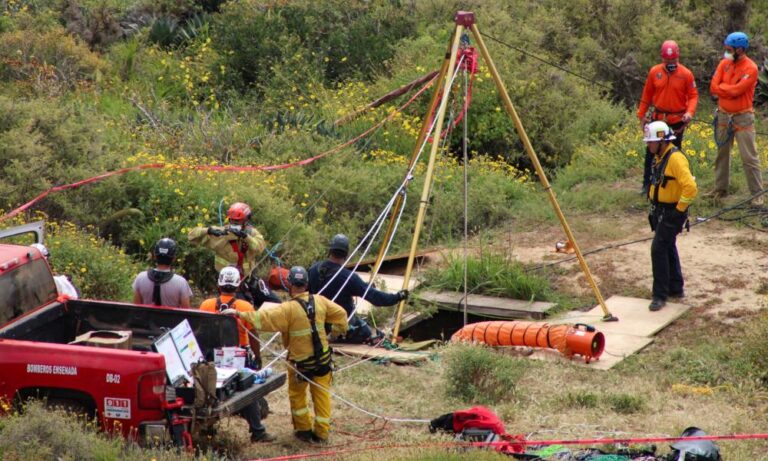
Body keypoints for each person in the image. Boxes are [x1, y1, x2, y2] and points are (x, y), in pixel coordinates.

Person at [227, 266, 348, 444]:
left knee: (297, 396)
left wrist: (238, 313)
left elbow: (262, 318)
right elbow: (341, 314)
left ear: (290, 285)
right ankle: (321, 434)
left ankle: (303, 430)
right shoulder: (321, 301)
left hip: (300, 364)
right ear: (306, 284)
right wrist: (335, 333)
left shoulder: (287, 309)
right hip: (322, 360)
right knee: (322, 397)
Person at [200, 266, 275, 443]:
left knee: (208, 390)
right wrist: (257, 356)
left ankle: (207, 428)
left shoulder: (206, 305)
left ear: (219, 284)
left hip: (211, 357)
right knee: (248, 389)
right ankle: (257, 431)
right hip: (238, 357)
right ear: (238, 285)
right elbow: (253, 334)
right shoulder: (245, 306)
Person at [308, 234, 409, 344]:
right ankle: (339, 337)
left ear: (330, 250)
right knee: (367, 331)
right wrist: (397, 297)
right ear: (346, 254)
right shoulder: (348, 278)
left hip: (316, 324)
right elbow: (376, 298)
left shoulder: (313, 269)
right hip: (339, 326)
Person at [644, 121, 698, 311]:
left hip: (671, 212)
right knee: (667, 246)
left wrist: (679, 210)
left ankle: (660, 295)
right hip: (662, 211)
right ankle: (675, 287)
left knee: (658, 249)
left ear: (662, 141)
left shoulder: (675, 159)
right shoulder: (662, 156)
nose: (648, 146)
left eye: (651, 142)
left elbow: (690, 187)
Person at [708, 31, 764, 206]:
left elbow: (737, 91)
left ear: (740, 49)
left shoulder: (751, 68)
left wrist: (723, 88)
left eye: (729, 49)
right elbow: (713, 87)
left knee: (749, 157)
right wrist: (726, 89)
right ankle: (720, 190)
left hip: (743, 117)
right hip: (724, 115)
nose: (726, 51)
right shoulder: (724, 64)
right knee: (722, 154)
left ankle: (757, 194)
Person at [637, 40, 698, 195]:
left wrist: (689, 112)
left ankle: (675, 184)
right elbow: (647, 95)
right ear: (662, 58)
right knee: (651, 152)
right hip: (657, 120)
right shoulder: (654, 72)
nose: (670, 63)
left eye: (673, 60)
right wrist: (641, 115)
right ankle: (647, 185)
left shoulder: (686, 74)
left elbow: (693, 95)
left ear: (677, 58)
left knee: (674, 153)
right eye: (667, 60)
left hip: (677, 121)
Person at [188, 202, 279, 306]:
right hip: (228, 283)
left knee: (275, 302)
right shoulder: (220, 233)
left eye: (238, 221)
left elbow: (259, 248)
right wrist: (208, 230)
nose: (235, 223)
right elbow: (191, 236)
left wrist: (246, 237)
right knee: (242, 306)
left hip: (248, 279)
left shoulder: (252, 234)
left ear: (246, 220)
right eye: (232, 220)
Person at [132, 238, 192, 308]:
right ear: (173, 258)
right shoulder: (181, 282)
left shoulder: (140, 278)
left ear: (154, 256)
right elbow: (186, 312)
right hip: (171, 319)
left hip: (146, 319)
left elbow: (136, 308)